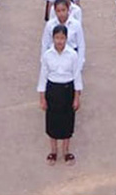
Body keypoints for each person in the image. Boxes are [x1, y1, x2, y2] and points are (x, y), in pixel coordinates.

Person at [38, 24, 84, 166]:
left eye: (62, 38)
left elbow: (77, 76)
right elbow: (43, 76)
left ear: (66, 38)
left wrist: (77, 97)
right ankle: (53, 151)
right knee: (52, 121)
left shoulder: (72, 55)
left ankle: (66, 151)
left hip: (67, 89)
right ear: (53, 38)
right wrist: (42, 97)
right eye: (57, 38)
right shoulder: (47, 55)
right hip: (52, 89)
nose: (59, 41)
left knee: (67, 121)